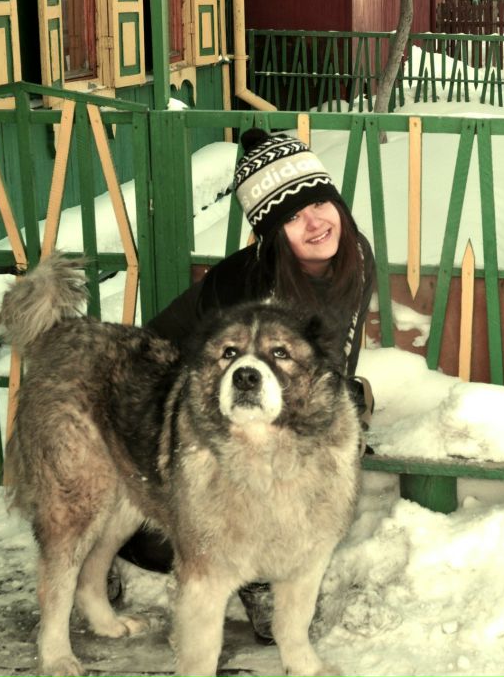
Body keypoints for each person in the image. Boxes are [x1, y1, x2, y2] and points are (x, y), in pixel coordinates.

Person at [113, 127, 377, 643]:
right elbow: (215, 387)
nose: (315, 222)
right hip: (188, 379)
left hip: (270, 393)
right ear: (273, 235)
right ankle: (251, 578)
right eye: (292, 218)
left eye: (321, 203)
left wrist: (341, 407)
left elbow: (336, 349)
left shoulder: (355, 254)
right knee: (197, 520)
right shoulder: (256, 294)